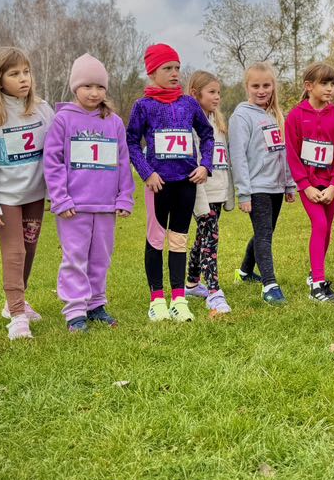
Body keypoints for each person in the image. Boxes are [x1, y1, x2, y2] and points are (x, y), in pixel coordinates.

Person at [44, 54, 134, 332]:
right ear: (75, 87)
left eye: (100, 87)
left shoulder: (114, 122)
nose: (94, 93)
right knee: (75, 258)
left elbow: (123, 161)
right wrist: (60, 198)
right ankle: (75, 310)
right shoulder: (63, 120)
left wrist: (125, 196)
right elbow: (52, 162)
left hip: (106, 206)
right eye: (87, 86)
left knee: (100, 258)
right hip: (74, 207)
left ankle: (96, 304)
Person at [127, 43, 214, 323]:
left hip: (186, 183)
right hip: (158, 185)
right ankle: (157, 300)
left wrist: (205, 165)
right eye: (167, 68)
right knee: (156, 240)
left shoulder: (189, 104)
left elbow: (207, 134)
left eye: (177, 67)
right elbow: (131, 142)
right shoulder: (143, 106)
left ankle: (178, 299)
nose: (175, 73)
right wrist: (146, 172)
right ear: (152, 72)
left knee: (179, 240)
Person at [0, 47, 54, 339]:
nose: (23, 79)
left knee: (29, 249)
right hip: (6, 198)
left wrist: (55, 191)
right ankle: (18, 317)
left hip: (35, 196)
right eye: (14, 74)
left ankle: (14, 302)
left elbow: (55, 153)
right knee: (15, 252)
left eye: (26, 72)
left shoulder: (43, 110)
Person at [228, 62, 296, 305]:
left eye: (266, 85)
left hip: (276, 186)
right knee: (264, 235)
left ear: (273, 86)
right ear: (247, 87)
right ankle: (270, 285)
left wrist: (289, 184)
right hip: (257, 187)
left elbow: (284, 152)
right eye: (255, 86)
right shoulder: (241, 116)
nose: (261, 90)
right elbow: (238, 157)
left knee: (265, 232)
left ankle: (245, 271)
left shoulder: (275, 115)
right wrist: (244, 193)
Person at [285, 61, 334, 303]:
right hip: (309, 185)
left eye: (332, 83)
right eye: (324, 83)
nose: (330, 88)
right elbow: (292, 154)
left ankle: (315, 273)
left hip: (330, 185)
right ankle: (317, 286)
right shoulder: (295, 116)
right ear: (309, 86)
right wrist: (305, 185)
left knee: (327, 229)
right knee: (320, 225)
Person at [184, 70, 234, 315]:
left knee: (202, 238)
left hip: (218, 192)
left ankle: (192, 284)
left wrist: (229, 194)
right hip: (201, 193)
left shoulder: (219, 123)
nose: (217, 97)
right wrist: (200, 198)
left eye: (219, 93)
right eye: (211, 92)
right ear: (196, 94)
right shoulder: (191, 125)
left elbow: (225, 161)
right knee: (210, 241)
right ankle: (214, 293)